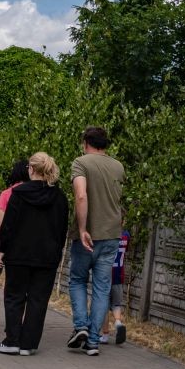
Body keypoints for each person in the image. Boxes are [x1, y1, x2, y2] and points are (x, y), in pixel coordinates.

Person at [0, 152, 70, 356]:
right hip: (47, 256)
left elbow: (8, 226)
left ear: (32, 169)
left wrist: (3, 249)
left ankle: (12, 340)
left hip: (18, 254)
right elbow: (62, 229)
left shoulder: (19, 193)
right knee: (38, 300)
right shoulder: (60, 197)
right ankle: (28, 344)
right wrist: (57, 251)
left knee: (14, 296)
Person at [69, 126, 125, 356]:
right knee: (102, 287)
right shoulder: (118, 166)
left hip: (88, 236)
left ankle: (81, 326)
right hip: (112, 234)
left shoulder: (80, 163)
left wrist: (83, 229)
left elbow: (81, 195)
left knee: (78, 280)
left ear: (86, 143)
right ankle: (93, 341)